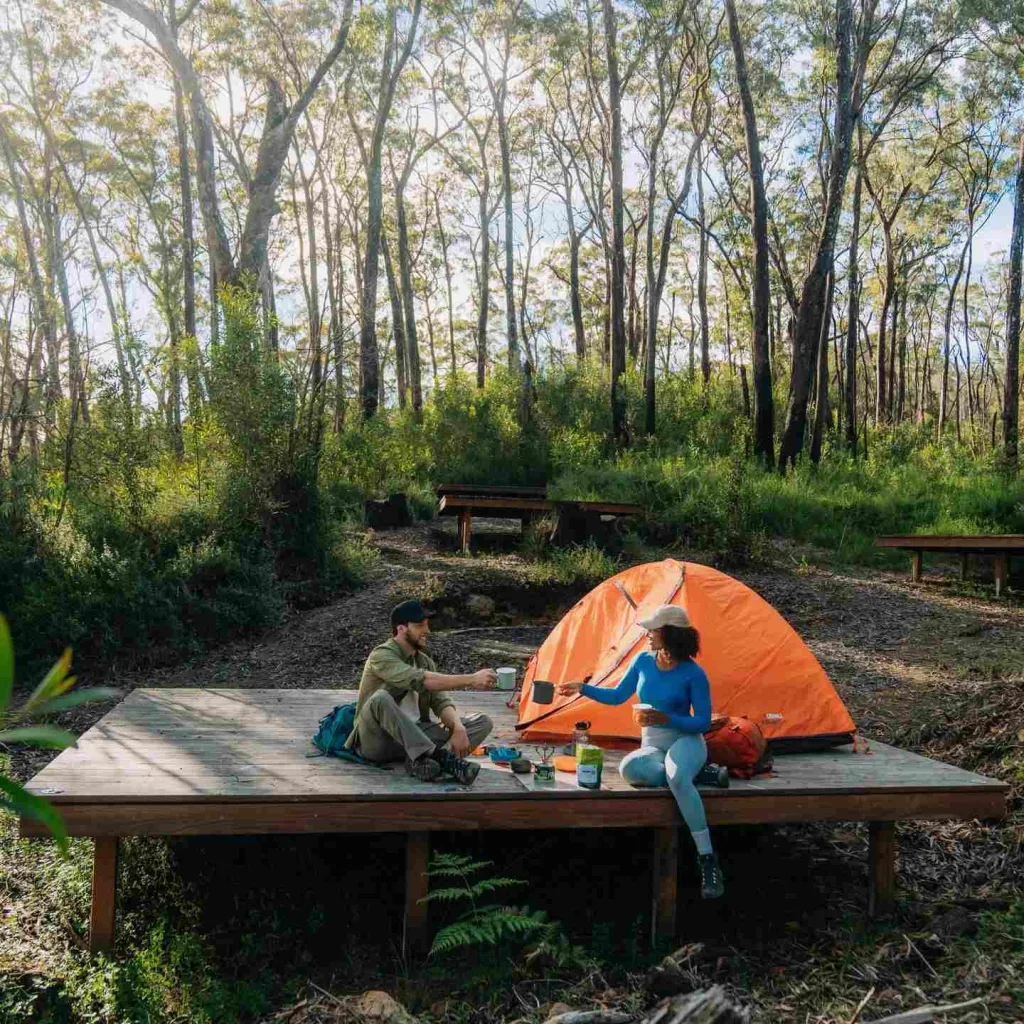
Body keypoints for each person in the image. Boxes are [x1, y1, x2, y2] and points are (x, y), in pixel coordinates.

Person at [557, 604, 724, 899]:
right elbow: (618, 696)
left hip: (686, 740)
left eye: (653, 630)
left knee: (675, 775)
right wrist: (581, 688)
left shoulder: (693, 674)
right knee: (630, 769)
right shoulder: (643, 661)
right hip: (653, 744)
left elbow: (701, 721)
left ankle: (707, 859)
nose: (647, 635)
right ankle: (700, 775)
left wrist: (667, 718)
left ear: (669, 634)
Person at [345, 600, 497, 784]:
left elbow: (441, 703)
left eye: (427, 625)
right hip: (377, 741)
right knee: (380, 698)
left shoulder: (424, 661)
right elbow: (421, 680)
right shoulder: (381, 655)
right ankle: (441, 759)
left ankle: (421, 761)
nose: (427, 631)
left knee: (481, 722)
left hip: (414, 739)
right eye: (419, 626)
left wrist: (458, 727)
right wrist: (472, 679)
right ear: (401, 629)